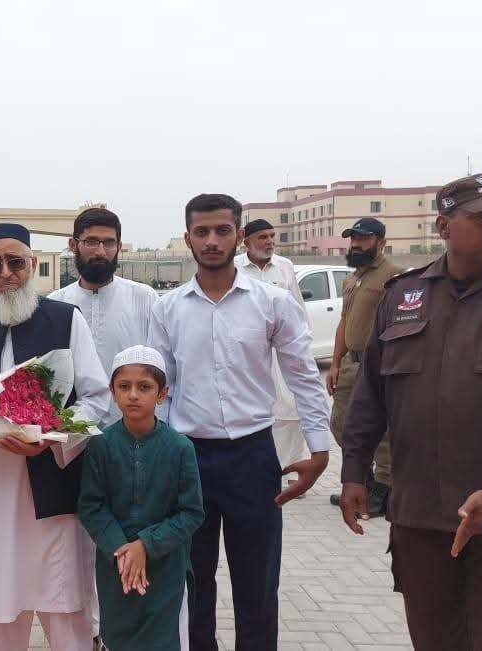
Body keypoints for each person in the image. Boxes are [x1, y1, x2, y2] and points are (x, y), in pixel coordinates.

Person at [339, 173, 482, 651]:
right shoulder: (403, 296)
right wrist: (354, 472)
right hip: (420, 520)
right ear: (443, 227)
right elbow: (371, 394)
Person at [148, 194, 331, 650]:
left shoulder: (272, 303)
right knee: (192, 581)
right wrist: (158, 456)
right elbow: (160, 388)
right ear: (188, 238)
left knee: (258, 583)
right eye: (202, 232)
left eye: (222, 230)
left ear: (239, 236)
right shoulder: (167, 308)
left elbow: (303, 376)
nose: (212, 241)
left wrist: (320, 449)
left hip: (253, 456)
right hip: (188, 458)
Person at [0, 223, 110, 650]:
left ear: (33, 263)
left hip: (54, 491)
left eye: (15, 262)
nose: (5, 273)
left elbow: (96, 398)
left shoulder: (65, 319)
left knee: (66, 612)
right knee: (0, 608)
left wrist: (50, 436)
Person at [78, 345, 203, 651]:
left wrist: (145, 545)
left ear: (162, 394)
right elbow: (91, 506)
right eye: (124, 386)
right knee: (118, 637)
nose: (133, 395)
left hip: (166, 567)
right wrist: (123, 550)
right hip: (116, 565)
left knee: (164, 640)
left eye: (144, 387)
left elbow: (191, 513)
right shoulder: (100, 446)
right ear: (112, 392)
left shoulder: (180, 447)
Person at [50, 207, 158, 426]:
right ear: (73, 245)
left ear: (118, 246)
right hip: (69, 431)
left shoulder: (145, 298)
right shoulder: (55, 304)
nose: (100, 252)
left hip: (130, 430)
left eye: (109, 243)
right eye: (91, 242)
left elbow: (160, 369)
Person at [325, 217, 402, 517]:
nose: (356, 244)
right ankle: (362, 482)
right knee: (342, 425)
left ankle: (383, 490)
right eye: (353, 239)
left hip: (377, 365)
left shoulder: (394, 276)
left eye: (364, 239)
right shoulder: (352, 278)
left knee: (382, 433)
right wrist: (335, 363)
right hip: (350, 365)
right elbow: (344, 322)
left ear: (381, 242)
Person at [234, 218, 309, 492]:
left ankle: (292, 470)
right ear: (247, 241)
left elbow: (297, 308)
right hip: (250, 352)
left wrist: (303, 346)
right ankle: (261, 469)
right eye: (263, 237)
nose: (269, 242)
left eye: (272, 236)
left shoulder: (285, 266)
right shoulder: (235, 268)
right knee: (260, 409)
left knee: (291, 409)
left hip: (282, 351)